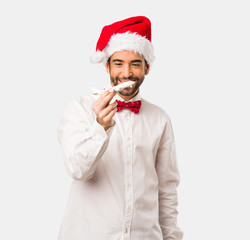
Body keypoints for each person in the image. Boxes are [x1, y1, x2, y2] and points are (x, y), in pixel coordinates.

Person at [57, 16, 183, 240]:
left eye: (135, 64)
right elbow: (78, 170)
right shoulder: (79, 109)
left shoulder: (160, 119)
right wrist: (100, 128)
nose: (126, 73)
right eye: (118, 63)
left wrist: (171, 237)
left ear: (147, 68)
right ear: (107, 66)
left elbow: (166, 189)